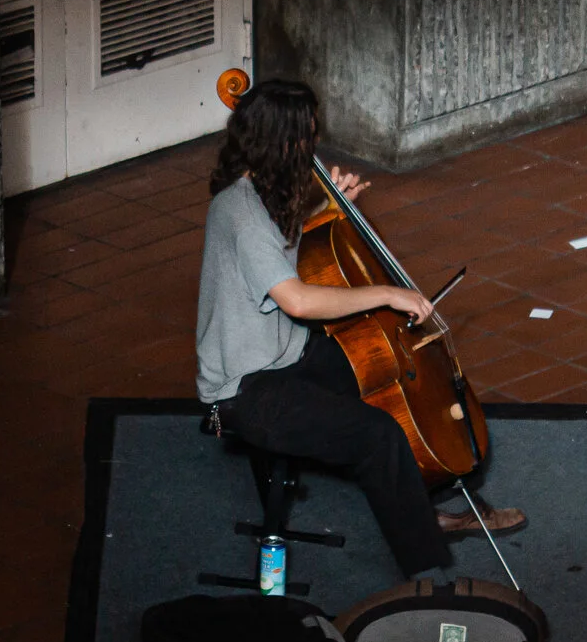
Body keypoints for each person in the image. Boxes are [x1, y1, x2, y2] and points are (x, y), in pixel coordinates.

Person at [196, 78, 526, 576]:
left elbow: (282, 252)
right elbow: (298, 299)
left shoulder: (259, 192)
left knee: (386, 374)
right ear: (278, 142)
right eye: (305, 138)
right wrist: (389, 293)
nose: (311, 149)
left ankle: (416, 503)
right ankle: (428, 568)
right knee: (377, 434)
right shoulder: (239, 214)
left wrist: (327, 211)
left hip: (288, 356)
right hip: (246, 390)